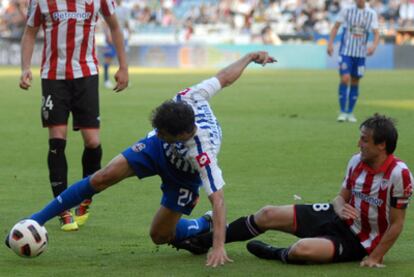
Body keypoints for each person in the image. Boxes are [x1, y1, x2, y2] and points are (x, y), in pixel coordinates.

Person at [7, 51, 276, 267]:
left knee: (159, 236)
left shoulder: (201, 154)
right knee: (103, 176)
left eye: (163, 131)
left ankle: (199, 225)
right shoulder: (189, 97)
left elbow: (218, 200)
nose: (157, 131)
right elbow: (224, 77)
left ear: (181, 135)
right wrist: (250, 57)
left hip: (184, 175)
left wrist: (218, 246)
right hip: (156, 150)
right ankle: (34, 220)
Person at [174, 114, 413, 268]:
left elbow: (397, 223)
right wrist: (340, 208)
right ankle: (201, 242)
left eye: (364, 140)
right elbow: (341, 198)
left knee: (302, 249)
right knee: (267, 214)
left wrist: (375, 256)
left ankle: (274, 253)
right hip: (333, 216)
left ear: (381, 145)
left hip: (360, 241)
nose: (358, 144)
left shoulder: (398, 174)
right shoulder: (356, 161)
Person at [19, 0, 129, 231]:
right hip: (53, 77)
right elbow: (30, 32)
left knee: (93, 141)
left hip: (86, 75)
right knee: (57, 140)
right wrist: (25, 67)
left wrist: (124, 66)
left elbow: (115, 26)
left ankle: (85, 198)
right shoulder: (41, 1)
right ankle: (62, 209)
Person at [327, 0, 379, 123]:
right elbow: (336, 27)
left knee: (355, 81)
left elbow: (376, 33)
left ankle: (350, 112)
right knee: (345, 78)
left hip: (360, 54)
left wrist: (374, 46)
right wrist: (330, 44)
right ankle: (342, 112)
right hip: (345, 52)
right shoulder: (346, 10)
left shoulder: (371, 13)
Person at [103, 0, 131, 89]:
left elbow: (126, 23)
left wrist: (129, 31)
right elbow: (106, 23)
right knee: (108, 59)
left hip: (122, 38)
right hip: (112, 37)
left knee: (124, 58)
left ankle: (125, 79)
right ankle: (106, 80)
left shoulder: (125, 9)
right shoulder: (110, 6)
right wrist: (107, 35)